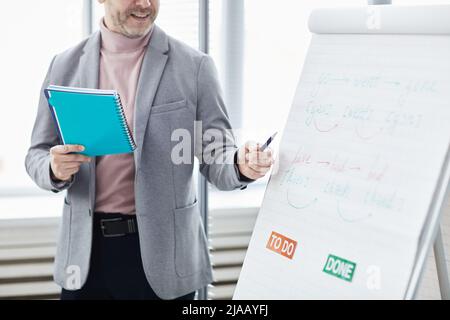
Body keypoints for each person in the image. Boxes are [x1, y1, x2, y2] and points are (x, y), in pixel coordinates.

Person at [25, 0, 273, 300]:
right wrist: (53, 169)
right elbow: (37, 153)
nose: (144, 3)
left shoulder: (194, 66)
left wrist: (239, 165)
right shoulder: (64, 65)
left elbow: (216, 154)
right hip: (86, 255)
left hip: (164, 256)